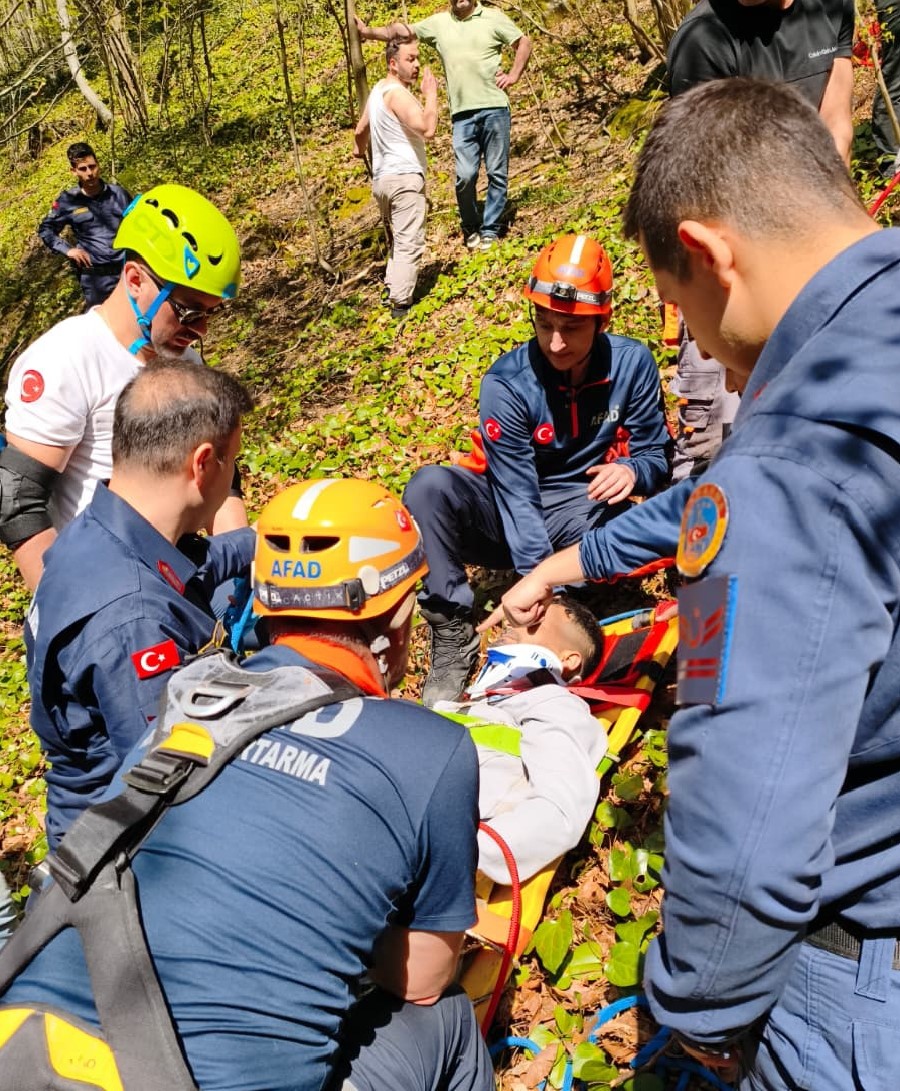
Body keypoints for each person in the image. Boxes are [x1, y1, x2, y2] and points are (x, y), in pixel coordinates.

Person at [501, 78, 900, 1088]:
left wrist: (700, 1010)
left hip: (862, 970)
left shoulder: (799, 450)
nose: (700, 347)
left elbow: (750, 834)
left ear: (715, 255)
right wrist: (569, 560)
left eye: (683, 312)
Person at [0, 478, 493, 1091]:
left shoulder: (187, 697)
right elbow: (423, 977)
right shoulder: (434, 748)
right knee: (445, 1018)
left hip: (23, 1048)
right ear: (396, 618)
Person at [403, 234, 670, 705]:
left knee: (634, 526)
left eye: (572, 327)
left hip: (581, 509)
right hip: (505, 512)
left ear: (602, 319)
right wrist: (540, 580)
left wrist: (631, 469)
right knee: (429, 487)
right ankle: (451, 633)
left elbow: (657, 456)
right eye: (543, 324)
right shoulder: (507, 383)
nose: (556, 342)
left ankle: (578, 607)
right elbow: (515, 493)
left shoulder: (633, 365)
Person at [26, 360, 255, 849]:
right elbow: (173, 778)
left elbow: (185, 567)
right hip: (125, 853)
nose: (232, 474)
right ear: (202, 463)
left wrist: (267, 543)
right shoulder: (135, 621)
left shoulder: (98, 532)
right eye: (233, 461)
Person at [2, 182, 246, 591]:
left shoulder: (180, 355)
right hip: (100, 595)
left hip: (174, 585)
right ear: (135, 279)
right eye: (189, 311)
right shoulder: (66, 357)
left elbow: (219, 472)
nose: (200, 330)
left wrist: (239, 571)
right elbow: (15, 499)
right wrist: (69, 611)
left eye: (210, 315)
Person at [665, 0, 855, 481]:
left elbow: (836, 123)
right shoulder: (703, 37)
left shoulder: (829, 6)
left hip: (812, 238)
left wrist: (830, 233)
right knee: (719, 438)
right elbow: (703, 181)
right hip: (728, 258)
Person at [438, 594, 605, 883]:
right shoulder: (492, 706)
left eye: (536, 619)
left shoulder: (554, 703)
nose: (515, 620)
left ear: (568, 659)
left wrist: (446, 855)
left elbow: (559, 813)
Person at [355, 0, 531, 250]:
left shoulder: (493, 18)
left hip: (495, 108)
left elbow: (523, 42)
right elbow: (399, 32)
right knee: (465, 176)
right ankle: (471, 225)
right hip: (462, 115)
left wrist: (513, 75)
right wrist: (367, 33)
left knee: (496, 173)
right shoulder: (438, 23)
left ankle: (490, 229)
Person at [353, 37, 438, 317]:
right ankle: (401, 304)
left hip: (383, 181)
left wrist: (359, 150)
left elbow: (359, 131)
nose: (416, 65)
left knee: (398, 240)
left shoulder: (378, 90)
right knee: (408, 241)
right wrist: (431, 94)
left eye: (417, 59)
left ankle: (392, 286)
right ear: (393, 63)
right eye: (409, 59)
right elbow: (427, 128)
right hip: (404, 178)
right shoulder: (399, 95)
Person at [37, 142, 132, 308]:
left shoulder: (119, 194)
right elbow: (46, 229)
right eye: (83, 169)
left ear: (98, 165)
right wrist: (68, 250)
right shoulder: (68, 200)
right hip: (96, 281)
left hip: (126, 272)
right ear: (73, 171)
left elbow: (139, 225)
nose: (90, 173)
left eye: (92, 166)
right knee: (102, 328)